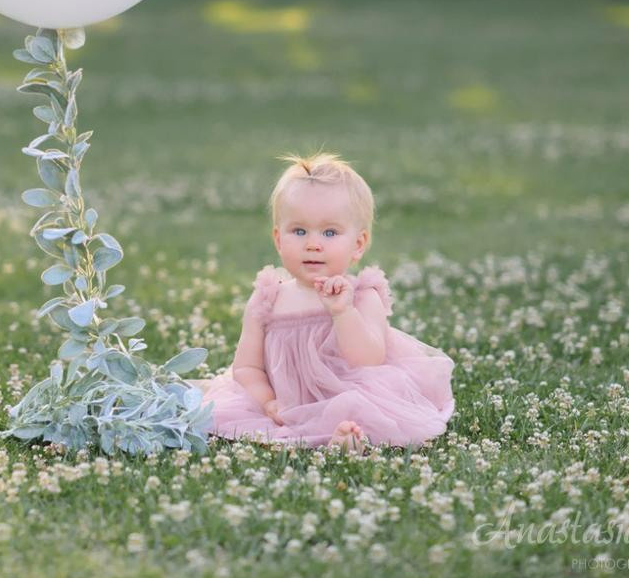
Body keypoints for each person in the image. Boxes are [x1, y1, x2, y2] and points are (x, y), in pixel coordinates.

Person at [189, 152, 455, 452]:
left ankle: (346, 434)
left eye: (330, 232)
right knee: (225, 415)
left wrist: (342, 312)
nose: (313, 243)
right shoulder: (268, 298)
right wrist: (268, 402)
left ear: (358, 245)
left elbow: (368, 359)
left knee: (361, 410)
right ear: (278, 239)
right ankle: (327, 432)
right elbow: (246, 367)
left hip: (348, 393)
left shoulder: (362, 296)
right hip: (283, 404)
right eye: (299, 231)